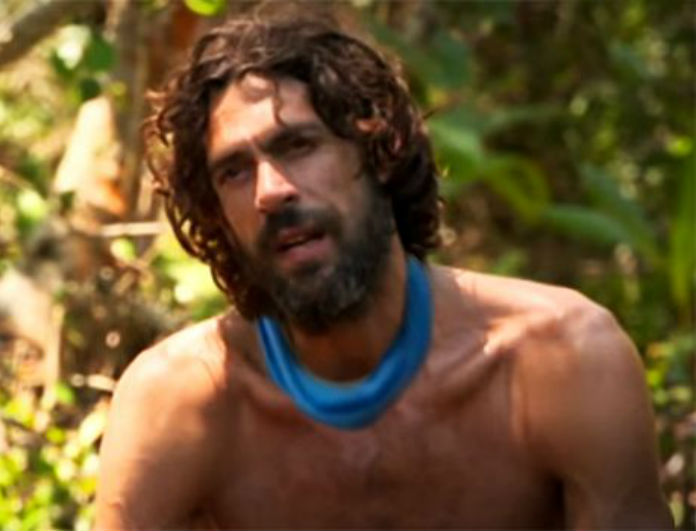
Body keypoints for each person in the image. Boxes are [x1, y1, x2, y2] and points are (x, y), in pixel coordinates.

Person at [95, 9, 673, 530]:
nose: (269, 192)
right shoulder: (182, 401)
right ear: (216, 214)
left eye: (297, 145)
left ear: (380, 150)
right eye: (234, 172)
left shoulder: (560, 357)